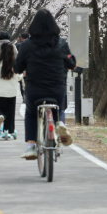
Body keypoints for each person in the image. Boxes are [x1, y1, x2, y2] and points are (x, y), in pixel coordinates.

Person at [14, 9, 76, 160]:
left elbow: (17, 67)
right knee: (59, 106)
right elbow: (71, 62)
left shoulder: (27, 45)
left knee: (30, 113)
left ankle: (30, 146)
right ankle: (60, 122)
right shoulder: (61, 44)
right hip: (56, 88)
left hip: (35, 89)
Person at [0, 42, 22, 139]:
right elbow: (19, 76)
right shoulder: (14, 63)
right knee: (11, 112)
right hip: (11, 91)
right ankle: (9, 132)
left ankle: (0, 116)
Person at [16, 33, 29, 103]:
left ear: (21, 38)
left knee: (22, 83)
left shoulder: (18, 45)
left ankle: (23, 97)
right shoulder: (32, 44)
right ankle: (27, 96)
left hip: (22, 67)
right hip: (30, 67)